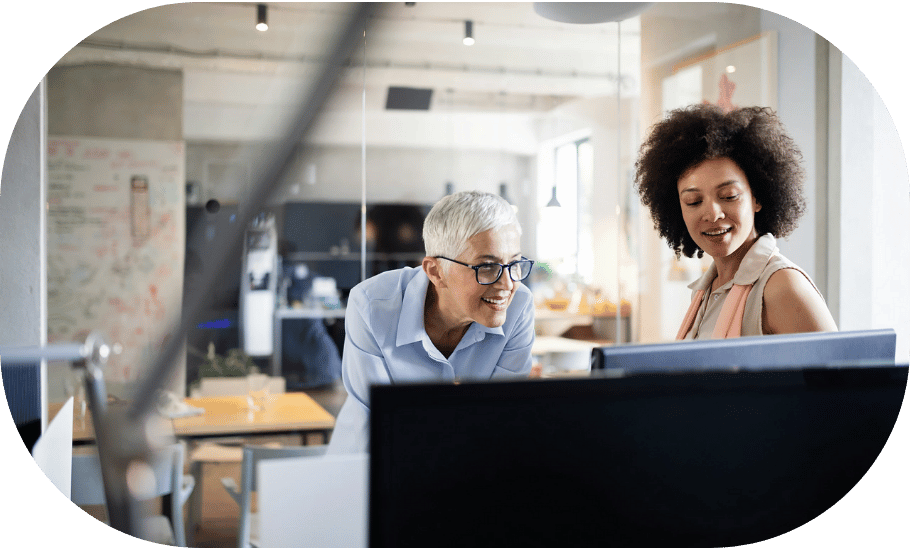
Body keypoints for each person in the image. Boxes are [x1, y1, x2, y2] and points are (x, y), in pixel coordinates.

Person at [327, 191, 536, 453]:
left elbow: (503, 417)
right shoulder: (371, 306)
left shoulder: (519, 306)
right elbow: (379, 422)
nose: (507, 284)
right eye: (487, 266)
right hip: (367, 465)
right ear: (436, 271)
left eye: (514, 264)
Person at [634, 104, 837, 340]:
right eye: (693, 201)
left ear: (757, 197)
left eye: (729, 196)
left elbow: (844, 376)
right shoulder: (706, 292)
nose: (712, 214)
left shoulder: (782, 287)